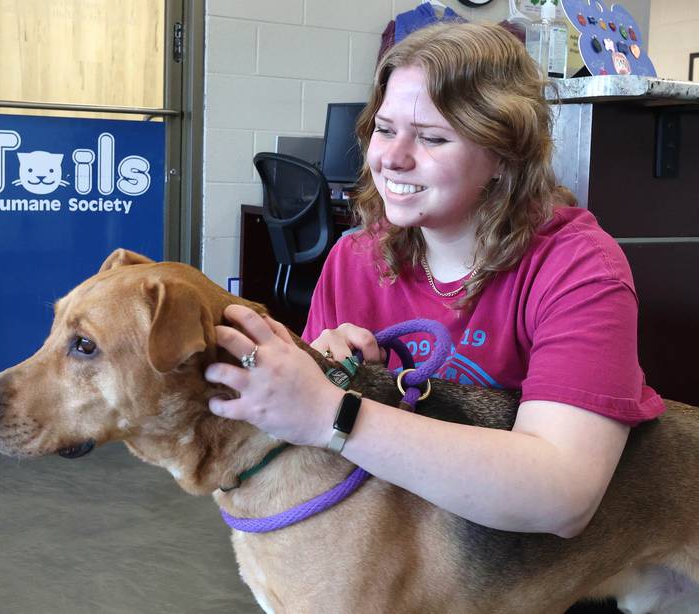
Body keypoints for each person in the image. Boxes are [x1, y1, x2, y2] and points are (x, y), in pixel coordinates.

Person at [204, 22, 665, 538]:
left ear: (502, 156)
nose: (393, 157)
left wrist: (332, 410)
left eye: (433, 137)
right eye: (384, 128)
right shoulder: (354, 257)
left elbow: (562, 497)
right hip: (391, 548)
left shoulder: (576, 268)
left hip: (523, 570)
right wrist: (327, 373)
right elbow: (312, 463)